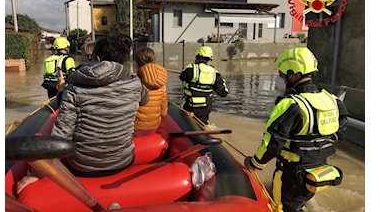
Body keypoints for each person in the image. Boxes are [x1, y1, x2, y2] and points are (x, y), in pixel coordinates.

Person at [17, 33, 149, 193]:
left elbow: (61, 135)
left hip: (83, 166)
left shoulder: (75, 88)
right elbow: (145, 100)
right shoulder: (135, 84)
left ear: (97, 59)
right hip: (124, 161)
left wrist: (37, 172)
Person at [244, 47, 348, 212]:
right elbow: (340, 133)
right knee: (297, 205)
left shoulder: (290, 104)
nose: (278, 79)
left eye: (282, 75)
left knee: (282, 211)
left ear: (295, 76)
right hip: (319, 171)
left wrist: (255, 163)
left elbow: (271, 144)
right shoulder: (332, 100)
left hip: (291, 174)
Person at [179, 46, 228, 125]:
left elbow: (182, 77)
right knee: (203, 124)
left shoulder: (191, 68)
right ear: (209, 58)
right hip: (205, 107)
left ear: (197, 56)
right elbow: (223, 93)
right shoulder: (215, 73)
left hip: (190, 105)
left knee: (183, 120)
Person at [133, 47, 168, 136]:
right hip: (154, 127)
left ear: (137, 63)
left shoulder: (134, 82)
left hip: (135, 128)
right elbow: (163, 112)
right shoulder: (162, 83)